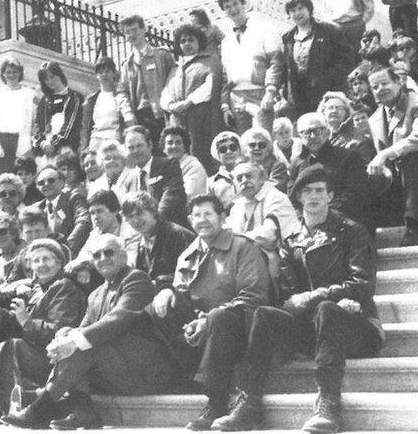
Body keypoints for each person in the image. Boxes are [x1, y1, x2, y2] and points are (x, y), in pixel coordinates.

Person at [209, 165, 383, 433]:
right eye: (307, 191)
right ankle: (248, 404)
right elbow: (290, 296)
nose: (313, 196)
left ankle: (329, 404)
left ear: (330, 195)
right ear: (299, 199)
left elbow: (362, 284)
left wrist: (314, 297)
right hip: (314, 331)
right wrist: (298, 301)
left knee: (327, 308)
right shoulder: (292, 240)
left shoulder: (352, 232)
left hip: (358, 326)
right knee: (264, 315)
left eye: (319, 191)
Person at [2, 234, 177, 430]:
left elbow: (118, 319)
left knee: (82, 344)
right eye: (97, 255)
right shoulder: (96, 293)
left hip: (145, 371)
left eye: (108, 252)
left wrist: (73, 340)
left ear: (123, 255)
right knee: (73, 340)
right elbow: (82, 328)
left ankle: (40, 408)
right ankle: (83, 411)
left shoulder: (136, 279)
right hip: (114, 368)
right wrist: (64, 336)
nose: (102, 258)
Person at [149, 195, 271, 431]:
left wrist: (207, 320)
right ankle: (178, 378)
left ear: (222, 217)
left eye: (208, 214)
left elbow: (254, 296)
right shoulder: (187, 254)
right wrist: (167, 292)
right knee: (156, 308)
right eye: (197, 215)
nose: (202, 220)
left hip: (241, 326)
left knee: (219, 318)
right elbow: (182, 293)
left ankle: (216, 404)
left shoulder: (242, 247)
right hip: (203, 328)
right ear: (189, 220)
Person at [0, 239, 85, 425]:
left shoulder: (65, 288)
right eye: (37, 260)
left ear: (59, 263)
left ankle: (15, 406)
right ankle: (8, 405)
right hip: (38, 352)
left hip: (59, 358)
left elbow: (58, 330)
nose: (42, 265)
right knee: (9, 345)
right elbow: (20, 325)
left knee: (13, 346)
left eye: (47, 259)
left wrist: (26, 320)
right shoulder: (36, 290)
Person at [268, 0, 355, 118]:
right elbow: (284, 67)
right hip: (299, 97)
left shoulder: (329, 31)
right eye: (293, 10)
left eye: (300, 8)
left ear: (309, 9)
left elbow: (347, 60)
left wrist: (326, 78)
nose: (297, 13)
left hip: (326, 94)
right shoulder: (288, 38)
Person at [217, 0, 283, 132]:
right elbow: (225, 76)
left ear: (244, 4)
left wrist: (270, 92)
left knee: (265, 140)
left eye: (235, 4)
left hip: (261, 93)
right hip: (237, 98)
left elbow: (276, 63)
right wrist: (225, 106)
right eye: (227, 7)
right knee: (245, 145)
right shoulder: (226, 41)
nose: (233, 9)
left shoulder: (265, 29)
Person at [290, 112, 372, 230]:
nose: (313, 136)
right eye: (307, 133)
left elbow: (355, 194)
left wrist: (322, 214)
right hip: (307, 223)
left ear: (328, 132)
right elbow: (293, 199)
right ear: (300, 137)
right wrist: (302, 219)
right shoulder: (297, 164)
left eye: (318, 131)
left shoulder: (349, 157)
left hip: (344, 221)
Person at [160, 23, 224, 172]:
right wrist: (171, 106)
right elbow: (166, 91)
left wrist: (188, 102)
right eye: (183, 41)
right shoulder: (176, 67)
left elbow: (211, 85)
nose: (187, 44)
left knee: (200, 155)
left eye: (191, 40)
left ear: (198, 42)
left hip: (200, 118)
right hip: (178, 120)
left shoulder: (209, 60)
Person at [365, 65, 418, 242]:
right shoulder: (374, 119)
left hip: (413, 167)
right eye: (375, 87)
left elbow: (416, 139)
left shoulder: (414, 103)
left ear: (398, 82)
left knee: (412, 158)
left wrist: (385, 154)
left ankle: (413, 227)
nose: (380, 89)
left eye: (384, 83)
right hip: (396, 175)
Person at [117, 15, 175, 144]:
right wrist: (127, 113)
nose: (132, 34)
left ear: (144, 29)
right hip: (139, 118)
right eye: (127, 32)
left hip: (161, 115)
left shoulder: (161, 55)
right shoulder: (127, 64)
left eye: (135, 30)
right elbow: (122, 92)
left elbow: (173, 83)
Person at [226, 161, 299, 261]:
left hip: (284, 259)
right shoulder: (238, 205)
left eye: (249, 176)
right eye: (239, 179)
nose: (244, 181)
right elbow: (230, 230)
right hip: (251, 257)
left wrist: (232, 238)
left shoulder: (275, 197)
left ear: (262, 178)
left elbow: (268, 236)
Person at [121, 192, 195, 290]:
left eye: (139, 214)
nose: (135, 220)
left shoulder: (178, 235)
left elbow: (192, 273)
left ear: (153, 211)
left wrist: (158, 282)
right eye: (130, 216)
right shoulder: (141, 245)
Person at [123, 125, 188, 226]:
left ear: (150, 145)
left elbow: (171, 197)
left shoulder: (168, 165)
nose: (136, 151)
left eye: (139, 146)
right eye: (131, 148)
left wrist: (153, 223)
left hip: (170, 229)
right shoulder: (129, 179)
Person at [0, 58, 36, 176]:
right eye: (8, 72)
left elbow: (32, 118)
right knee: (3, 176)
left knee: (22, 175)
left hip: (21, 139)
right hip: (2, 140)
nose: (11, 75)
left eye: (14, 72)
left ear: (20, 73)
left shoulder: (28, 93)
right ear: (3, 74)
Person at [79, 57, 135, 153]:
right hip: (95, 141)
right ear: (96, 75)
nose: (104, 74)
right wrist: (84, 146)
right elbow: (84, 126)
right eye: (100, 72)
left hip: (115, 140)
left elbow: (127, 114)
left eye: (107, 71)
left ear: (113, 73)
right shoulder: (91, 100)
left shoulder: (120, 94)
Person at [34, 165, 91, 256]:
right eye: (41, 183)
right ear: (37, 187)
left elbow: (84, 222)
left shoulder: (74, 199)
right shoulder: (37, 209)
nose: (46, 184)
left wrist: (65, 250)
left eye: (51, 180)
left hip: (72, 255)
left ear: (62, 182)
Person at [33, 61, 85, 158]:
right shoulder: (44, 100)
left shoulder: (75, 97)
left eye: (52, 76)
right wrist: (42, 143)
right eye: (46, 79)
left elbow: (71, 124)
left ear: (59, 74)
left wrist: (55, 144)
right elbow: (38, 125)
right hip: (46, 151)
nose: (49, 81)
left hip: (66, 149)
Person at [318, 91, 377, 163]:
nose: (334, 111)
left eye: (339, 108)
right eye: (330, 108)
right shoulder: (317, 135)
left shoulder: (357, 139)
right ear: (323, 111)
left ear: (346, 112)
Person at [161, 126, 207, 200]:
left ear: (184, 147)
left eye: (178, 142)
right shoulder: (163, 167)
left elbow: (190, 194)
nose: (174, 146)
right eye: (170, 143)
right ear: (163, 148)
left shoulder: (194, 166)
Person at [241, 127, 289, 192]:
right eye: (252, 145)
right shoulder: (241, 168)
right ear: (246, 149)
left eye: (261, 145)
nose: (257, 148)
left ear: (268, 149)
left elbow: (274, 189)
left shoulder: (278, 167)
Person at [207, 131, 243, 209]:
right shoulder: (212, 182)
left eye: (233, 148)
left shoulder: (249, 173)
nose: (228, 152)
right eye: (223, 149)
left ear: (240, 150)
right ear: (217, 154)